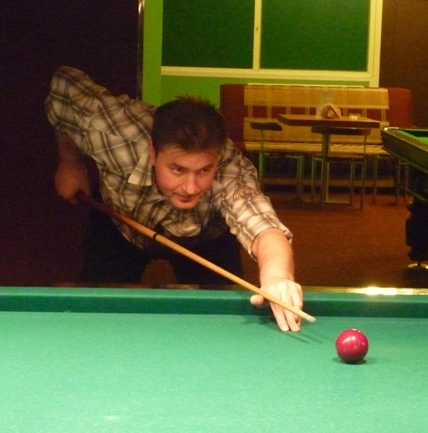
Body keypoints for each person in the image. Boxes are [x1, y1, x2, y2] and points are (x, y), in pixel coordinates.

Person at [45, 66, 304, 332]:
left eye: (203, 170)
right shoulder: (110, 132)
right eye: (178, 169)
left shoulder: (230, 170)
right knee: (94, 317)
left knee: (221, 326)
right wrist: (69, 161)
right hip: (121, 226)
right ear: (152, 152)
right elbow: (64, 85)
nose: (190, 188)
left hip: (206, 240)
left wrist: (277, 277)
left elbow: (264, 228)